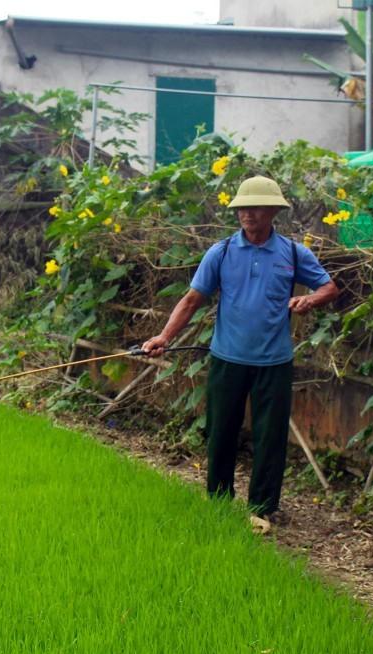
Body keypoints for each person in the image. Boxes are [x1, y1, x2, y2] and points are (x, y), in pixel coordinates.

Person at [142, 175, 339, 523]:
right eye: (242, 208)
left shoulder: (293, 253)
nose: (247, 214)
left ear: (273, 211)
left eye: (256, 208)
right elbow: (191, 300)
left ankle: (262, 509)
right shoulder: (222, 252)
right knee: (221, 432)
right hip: (227, 359)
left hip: (274, 363)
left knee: (270, 437)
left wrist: (310, 299)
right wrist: (164, 337)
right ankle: (218, 502)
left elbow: (329, 288)